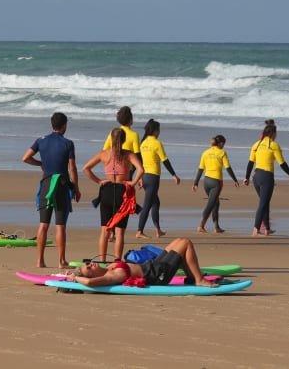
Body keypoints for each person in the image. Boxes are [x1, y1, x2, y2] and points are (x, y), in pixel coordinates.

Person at [22, 112, 81, 268]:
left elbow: (25, 158)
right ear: (64, 126)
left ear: (52, 125)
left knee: (43, 224)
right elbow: (72, 168)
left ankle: (40, 261)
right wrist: (76, 187)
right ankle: (62, 261)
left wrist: (40, 163)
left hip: (46, 184)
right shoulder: (68, 143)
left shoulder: (41, 141)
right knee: (60, 225)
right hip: (61, 185)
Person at [83, 128, 143, 261]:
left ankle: (102, 261)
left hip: (107, 191)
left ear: (111, 139)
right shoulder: (128, 154)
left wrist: (99, 181)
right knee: (119, 232)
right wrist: (132, 183)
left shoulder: (103, 154)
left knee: (105, 230)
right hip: (123, 192)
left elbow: (85, 168)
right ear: (124, 140)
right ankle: (117, 262)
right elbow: (141, 169)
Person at [70, 237, 217, 288]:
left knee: (177, 242)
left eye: (88, 263)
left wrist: (71, 274)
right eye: (89, 268)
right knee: (185, 243)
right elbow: (89, 283)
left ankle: (191, 277)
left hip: (153, 265)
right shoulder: (111, 276)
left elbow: (88, 279)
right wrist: (76, 278)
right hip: (158, 274)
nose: (91, 264)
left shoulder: (108, 268)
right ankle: (199, 280)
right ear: (92, 276)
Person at [243, 120, 289, 236]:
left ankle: (267, 229)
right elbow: (282, 163)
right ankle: (256, 229)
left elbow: (250, 162)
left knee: (265, 202)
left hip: (256, 177)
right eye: (276, 134)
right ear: (272, 134)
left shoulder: (256, 145)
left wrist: (246, 177)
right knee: (263, 203)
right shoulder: (273, 145)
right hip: (266, 177)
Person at [135, 119, 180, 240]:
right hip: (153, 177)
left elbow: (139, 162)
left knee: (155, 202)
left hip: (144, 177)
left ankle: (158, 230)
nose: (159, 132)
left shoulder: (143, 143)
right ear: (155, 131)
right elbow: (165, 160)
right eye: (159, 129)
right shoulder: (156, 143)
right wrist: (174, 175)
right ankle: (139, 231)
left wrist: (139, 177)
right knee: (148, 204)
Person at [102, 107, 141, 244]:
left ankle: (111, 232)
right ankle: (116, 232)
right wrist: (138, 178)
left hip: (111, 171)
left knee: (111, 204)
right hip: (127, 171)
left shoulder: (113, 133)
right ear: (131, 119)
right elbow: (137, 155)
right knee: (122, 204)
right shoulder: (134, 135)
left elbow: (106, 149)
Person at [192, 134, 239, 233]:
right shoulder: (222, 153)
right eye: (223, 144)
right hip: (216, 182)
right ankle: (201, 226)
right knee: (211, 204)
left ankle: (216, 227)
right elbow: (228, 168)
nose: (224, 146)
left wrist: (195, 183)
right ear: (221, 143)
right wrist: (235, 179)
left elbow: (200, 169)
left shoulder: (205, 152)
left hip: (206, 181)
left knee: (215, 203)